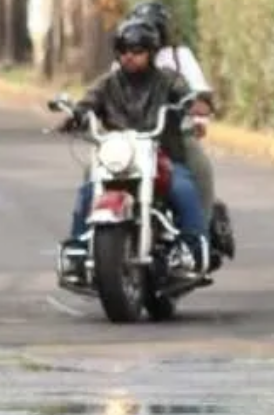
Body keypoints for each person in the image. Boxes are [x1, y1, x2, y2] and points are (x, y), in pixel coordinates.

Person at [62, 18, 213, 272]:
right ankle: (78, 249)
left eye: (137, 51)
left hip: (160, 154)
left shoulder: (168, 80)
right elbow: (89, 101)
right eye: (123, 50)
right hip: (119, 157)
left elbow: (187, 94)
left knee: (183, 186)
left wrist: (192, 103)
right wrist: (76, 115)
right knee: (88, 191)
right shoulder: (108, 83)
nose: (129, 56)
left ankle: (192, 247)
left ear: (152, 52)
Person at [128, 0, 235, 262]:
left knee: (199, 170)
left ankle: (199, 239)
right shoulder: (125, 60)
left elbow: (199, 91)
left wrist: (199, 117)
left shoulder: (178, 57)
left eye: (153, 30)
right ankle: (86, 246)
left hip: (173, 135)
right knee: (92, 173)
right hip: (131, 140)